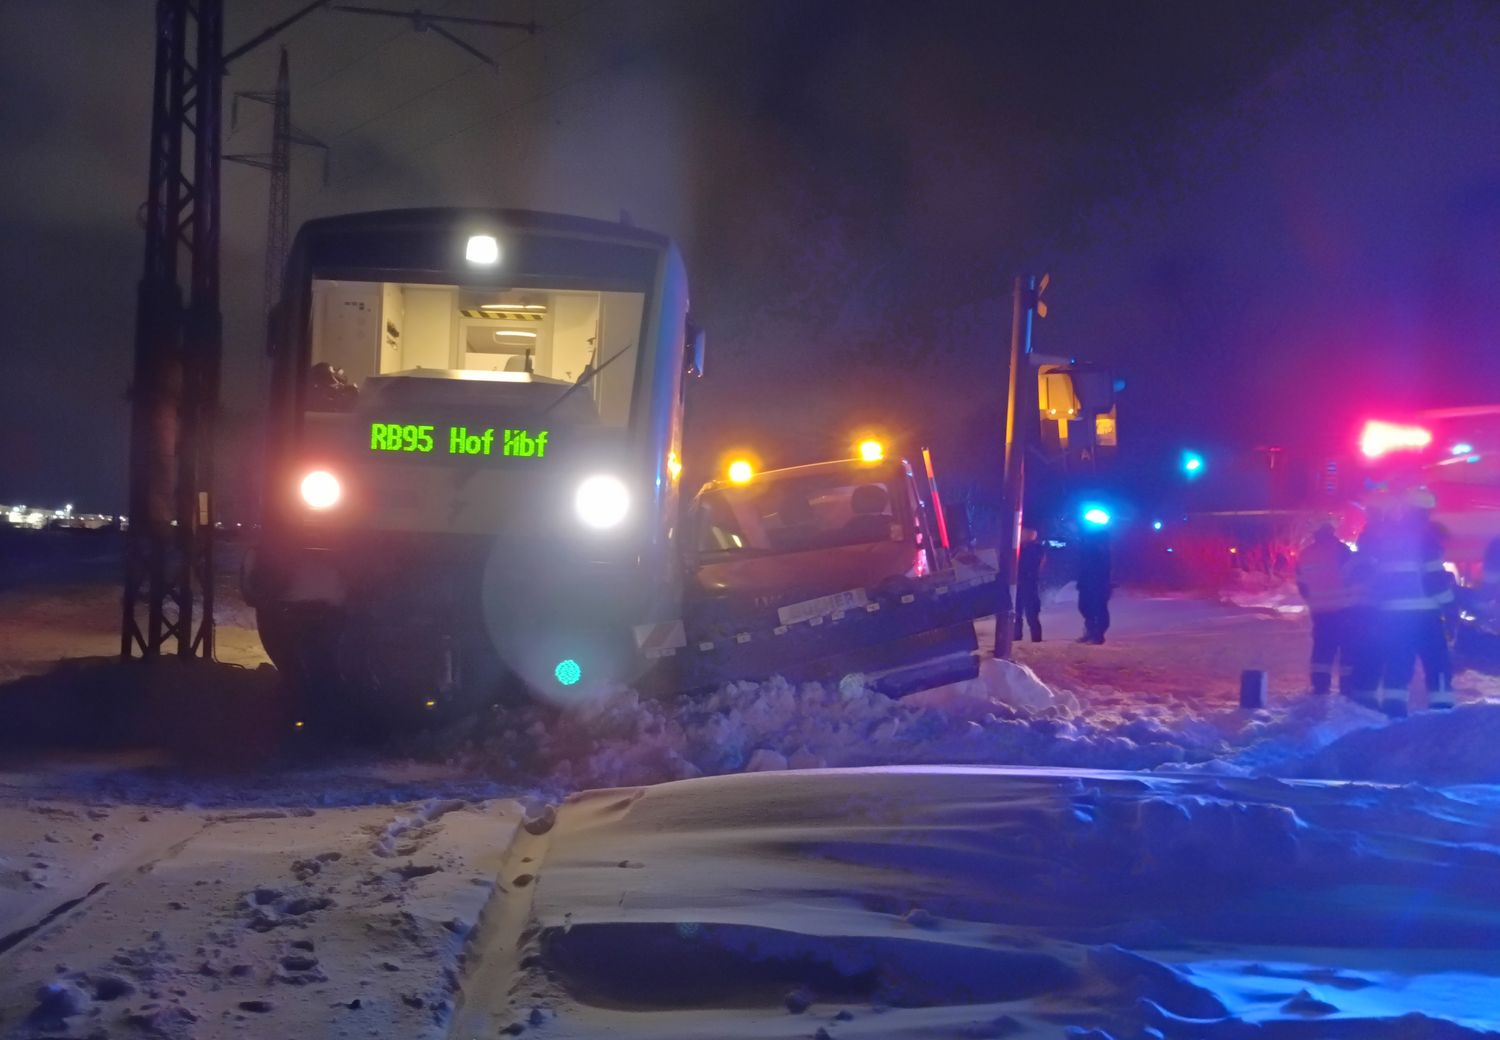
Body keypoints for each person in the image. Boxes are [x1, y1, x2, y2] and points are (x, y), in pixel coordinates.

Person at [1368, 489, 1452, 718]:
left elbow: (1377, 577)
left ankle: (1393, 714)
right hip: (1424, 615)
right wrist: (1450, 603)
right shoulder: (1426, 538)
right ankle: (1443, 714)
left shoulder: (1389, 538)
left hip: (1393, 616)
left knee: (1397, 662)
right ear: (1425, 512)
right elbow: (1434, 579)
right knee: (1437, 662)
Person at [1295, 523, 1353, 695]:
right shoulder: (1341, 551)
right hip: (1343, 609)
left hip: (1319, 611)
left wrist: (1314, 600)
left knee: (1322, 649)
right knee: (1346, 649)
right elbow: (1353, 577)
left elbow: (1302, 585)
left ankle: (1320, 687)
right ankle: (1347, 687)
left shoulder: (1306, 554)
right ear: (1332, 533)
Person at [1075, 526, 1111, 645]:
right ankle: (1091, 632)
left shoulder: (1100, 549)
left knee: (1099, 609)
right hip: (1087, 582)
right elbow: (1084, 566)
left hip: (1098, 583)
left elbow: (1102, 568)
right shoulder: (1088, 547)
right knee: (1084, 607)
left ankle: (1098, 635)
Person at [1013, 527, 1046, 642]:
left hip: (1029, 584)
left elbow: (1035, 566)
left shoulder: (1036, 549)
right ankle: (1016, 636)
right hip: (1020, 584)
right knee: (1017, 612)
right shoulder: (1020, 548)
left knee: (1031, 613)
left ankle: (1036, 638)